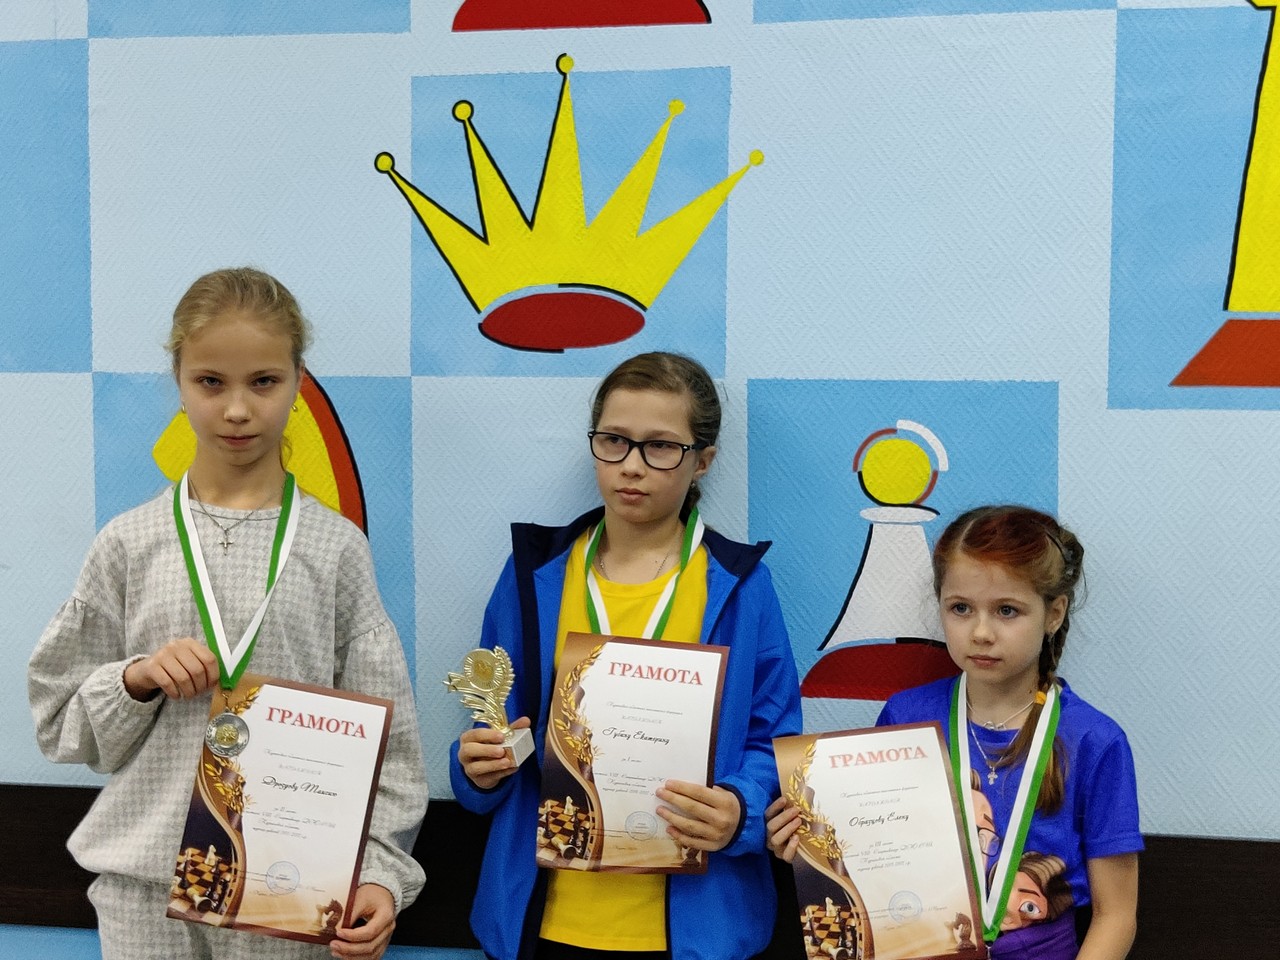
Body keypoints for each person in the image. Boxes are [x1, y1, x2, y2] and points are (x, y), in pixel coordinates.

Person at [28, 267, 427, 960]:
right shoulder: (129, 543)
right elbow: (59, 718)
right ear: (179, 382)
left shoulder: (335, 549)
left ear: (298, 382)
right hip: (145, 893)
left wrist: (381, 874)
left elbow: (389, 742)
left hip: (289, 889)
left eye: (263, 382)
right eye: (211, 382)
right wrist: (135, 680)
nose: (237, 409)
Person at [451, 352, 803, 960]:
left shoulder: (741, 585)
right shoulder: (535, 575)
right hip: (545, 920)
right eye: (614, 440)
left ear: (702, 461)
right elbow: (496, 722)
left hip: (693, 930)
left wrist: (740, 810)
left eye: (661, 447)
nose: (632, 465)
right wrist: (478, 767)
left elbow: (773, 738)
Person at [767, 505, 1141, 960]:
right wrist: (811, 853)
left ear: (1054, 613)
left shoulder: (1094, 740)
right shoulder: (906, 716)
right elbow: (875, 869)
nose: (981, 632)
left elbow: (1115, 915)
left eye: (1007, 610)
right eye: (961, 608)